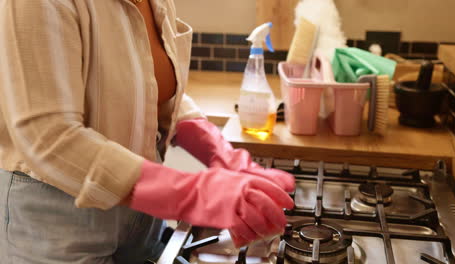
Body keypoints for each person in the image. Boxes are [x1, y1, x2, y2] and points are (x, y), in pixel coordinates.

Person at [0, 0, 295, 263]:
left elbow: (149, 88)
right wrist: (193, 194)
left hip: (140, 212)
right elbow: (48, 137)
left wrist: (219, 152)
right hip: (56, 214)